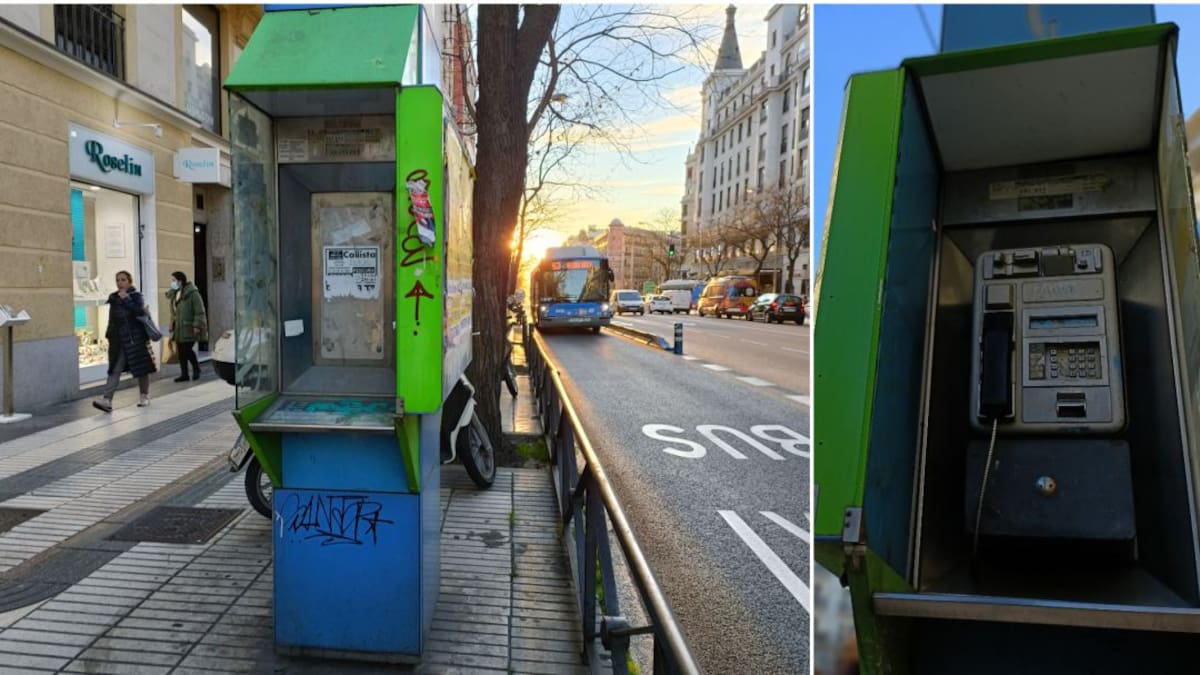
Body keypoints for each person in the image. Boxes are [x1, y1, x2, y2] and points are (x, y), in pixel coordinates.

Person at [93, 270, 156, 412]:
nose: (120, 283)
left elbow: (139, 313)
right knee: (115, 369)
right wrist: (109, 335)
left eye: (123, 280)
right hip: (118, 340)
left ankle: (144, 396)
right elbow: (112, 319)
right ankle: (107, 400)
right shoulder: (113, 298)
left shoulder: (136, 296)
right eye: (117, 280)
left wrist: (127, 300)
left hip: (135, 339)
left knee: (141, 368)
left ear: (129, 281)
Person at [166, 271, 208, 382]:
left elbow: (199, 311)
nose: (172, 283)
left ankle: (196, 369)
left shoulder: (193, 293)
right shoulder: (175, 294)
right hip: (178, 327)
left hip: (189, 327)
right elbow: (174, 312)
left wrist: (197, 325)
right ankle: (184, 374)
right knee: (181, 351)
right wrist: (171, 324)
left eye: (174, 280)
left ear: (180, 281)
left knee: (187, 350)